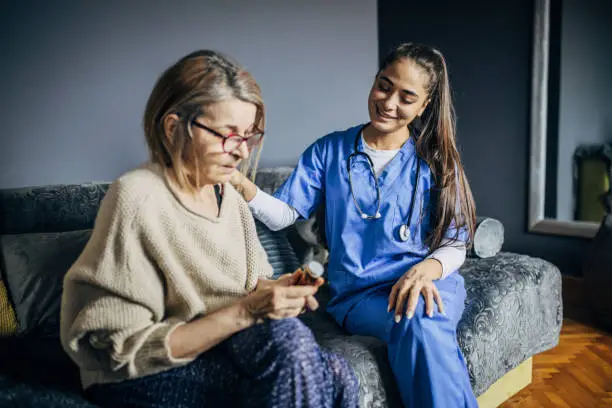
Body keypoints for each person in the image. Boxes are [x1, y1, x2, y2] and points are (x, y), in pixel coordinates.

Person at [60, 50, 359, 408]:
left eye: (248, 137)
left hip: (217, 343)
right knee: (290, 345)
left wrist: (277, 291)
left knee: (338, 370)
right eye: (226, 135)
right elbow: (118, 349)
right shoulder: (137, 196)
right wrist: (249, 311)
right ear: (173, 128)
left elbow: (246, 287)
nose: (240, 153)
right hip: (140, 371)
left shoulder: (227, 196)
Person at [231, 43, 479, 407]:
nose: (389, 102)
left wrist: (427, 269)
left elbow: (457, 242)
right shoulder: (328, 151)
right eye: (384, 85)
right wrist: (239, 183)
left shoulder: (437, 160)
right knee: (420, 322)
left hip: (430, 280)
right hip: (361, 294)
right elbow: (285, 214)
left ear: (424, 106)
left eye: (407, 97)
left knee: (425, 315)